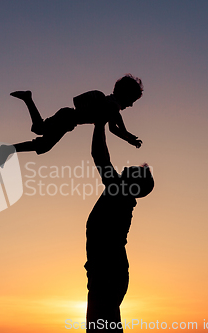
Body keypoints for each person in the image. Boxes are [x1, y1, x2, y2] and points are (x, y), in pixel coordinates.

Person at [85, 122, 154, 332]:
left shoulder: (119, 192)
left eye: (131, 169)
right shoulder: (121, 195)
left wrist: (99, 124)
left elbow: (100, 157)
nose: (126, 167)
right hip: (109, 270)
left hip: (108, 271)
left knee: (101, 325)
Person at [0, 74, 144, 167]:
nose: (130, 105)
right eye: (131, 100)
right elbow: (117, 127)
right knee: (43, 143)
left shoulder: (111, 105)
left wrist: (128, 138)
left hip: (67, 117)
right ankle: (8, 148)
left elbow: (113, 128)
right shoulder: (113, 106)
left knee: (40, 133)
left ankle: (27, 99)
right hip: (67, 118)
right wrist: (128, 137)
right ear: (125, 94)